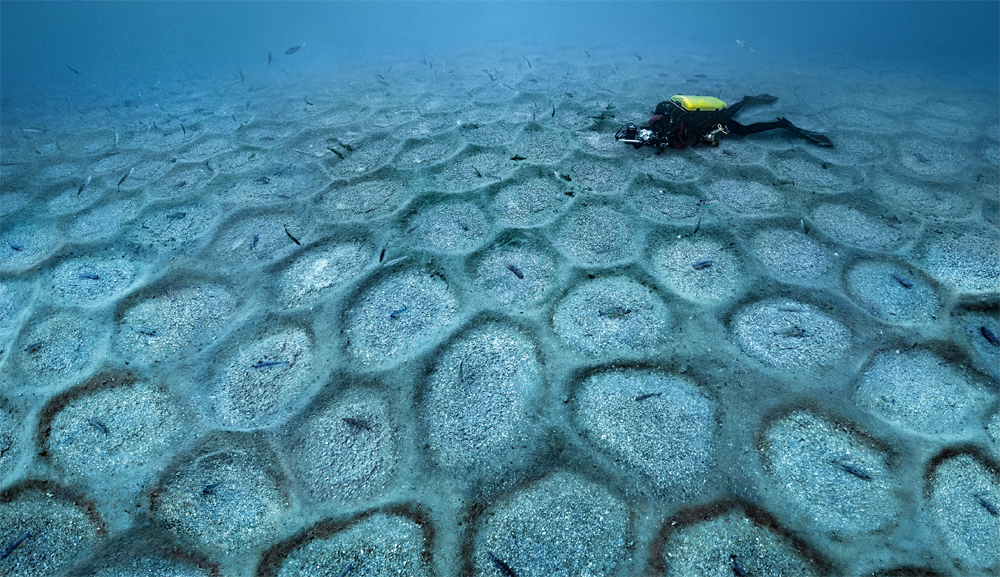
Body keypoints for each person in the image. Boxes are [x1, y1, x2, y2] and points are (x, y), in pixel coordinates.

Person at [615, 94, 832, 149]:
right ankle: (747, 100)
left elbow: (683, 143)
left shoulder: (674, 126)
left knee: (741, 130)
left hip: (713, 122)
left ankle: (781, 124)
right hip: (709, 115)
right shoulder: (666, 113)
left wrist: (708, 140)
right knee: (728, 113)